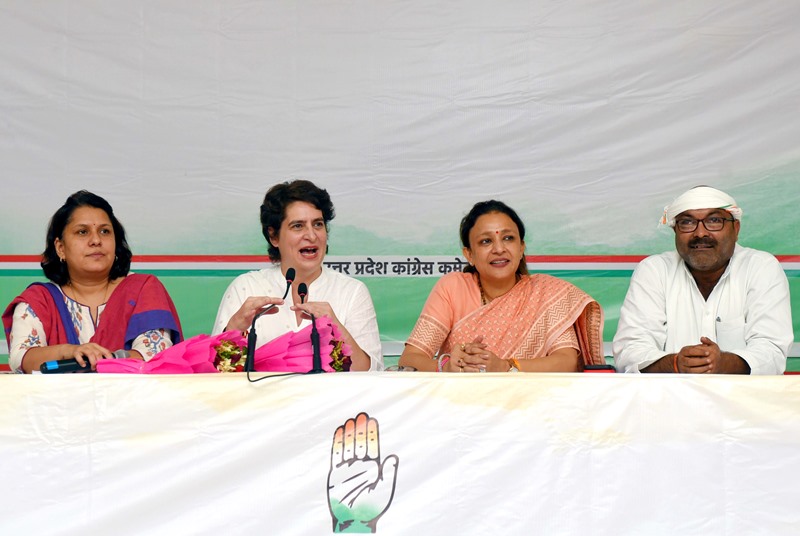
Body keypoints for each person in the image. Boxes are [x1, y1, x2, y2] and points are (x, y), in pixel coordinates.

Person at [398, 200, 604, 373]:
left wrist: (506, 366)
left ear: (521, 247)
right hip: (460, 407)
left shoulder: (547, 294)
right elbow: (409, 359)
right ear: (469, 254)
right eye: (486, 241)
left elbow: (566, 361)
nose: (499, 249)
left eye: (508, 238)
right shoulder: (452, 288)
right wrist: (447, 366)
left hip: (533, 406)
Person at [613, 186, 792, 374]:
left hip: (740, 401)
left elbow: (772, 352)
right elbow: (630, 351)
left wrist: (724, 363)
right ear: (675, 231)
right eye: (687, 222)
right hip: (668, 401)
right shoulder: (654, 271)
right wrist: (675, 364)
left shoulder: (761, 267)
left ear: (736, 228)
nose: (700, 233)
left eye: (714, 221)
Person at [2, 191, 183, 374]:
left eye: (105, 231)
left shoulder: (144, 289)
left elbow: (154, 356)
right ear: (60, 248)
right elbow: (21, 358)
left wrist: (99, 361)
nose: (96, 240)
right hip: (57, 402)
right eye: (82, 232)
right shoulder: (39, 300)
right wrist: (69, 352)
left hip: (132, 400)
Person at [212, 179, 383, 371]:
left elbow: (372, 374)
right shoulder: (246, 287)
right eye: (298, 226)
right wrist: (235, 327)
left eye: (318, 224)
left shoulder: (351, 291)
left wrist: (336, 326)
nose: (311, 235)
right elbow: (214, 371)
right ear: (274, 236)